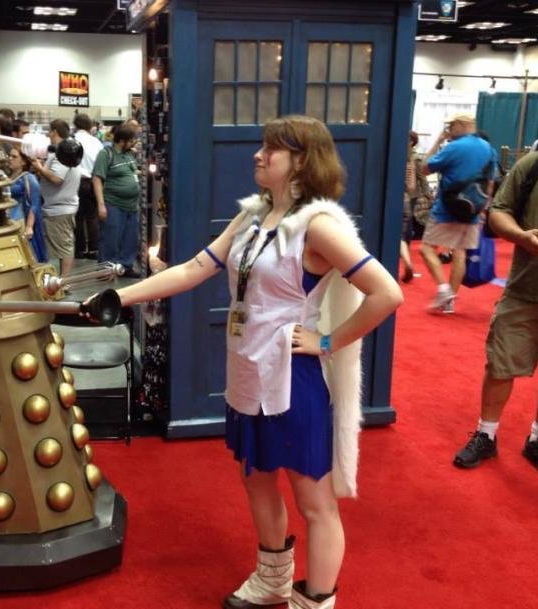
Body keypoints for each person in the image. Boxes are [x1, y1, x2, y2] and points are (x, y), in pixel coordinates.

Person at [100, 115, 403, 609]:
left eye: (272, 149)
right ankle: (272, 581)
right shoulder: (251, 217)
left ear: (301, 161)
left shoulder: (319, 227)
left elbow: (387, 293)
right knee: (257, 479)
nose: (258, 155)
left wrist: (328, 342)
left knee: (314, 500)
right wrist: (121, 296)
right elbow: (194, 268)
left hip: (293, 377)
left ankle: (317, 601)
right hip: (247, 370)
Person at [453, 103, 538, 479]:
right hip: (526, 288)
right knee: (501, 363)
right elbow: (499, 212)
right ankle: (486, 434)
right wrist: (519, 236)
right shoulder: (534, 164)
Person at [419, 113, 495, 314]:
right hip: (473, 209)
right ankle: (449, 301)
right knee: (459, 251)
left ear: (461, 125)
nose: (449, 130)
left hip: (447, 208)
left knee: (426, 248)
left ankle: (444, 290)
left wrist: (439, 140)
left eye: (451, 126)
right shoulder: (488, 148)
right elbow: (490, 182)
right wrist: (482, 209)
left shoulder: (454, 147)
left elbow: (424, 168)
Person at [31, 119, 81, 275]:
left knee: (64, 246)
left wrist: (39, 168)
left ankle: (64, 282)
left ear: (54, 132)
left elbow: (57, 179)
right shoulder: (63, 151)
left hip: (60, 209)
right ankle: (62, 280)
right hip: (59, 207)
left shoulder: (62, 153)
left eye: (49, 132)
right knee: (62, 245)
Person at [93, 124, 141, 277]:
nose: (133, 143)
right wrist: (101, 205)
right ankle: (106, 270)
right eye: (131, 140)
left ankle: (125, 266)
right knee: (110, 240)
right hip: (113, 204)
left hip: (132, 206)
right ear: (122, 141)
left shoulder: (128, 155)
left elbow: (131, 172)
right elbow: (97, 179)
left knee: (130, 239)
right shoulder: (105, 154)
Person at [7, 147, 48, 263]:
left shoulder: (29, 178)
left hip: (20, 221)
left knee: (27, 256)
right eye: (9, 156)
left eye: (14, 157)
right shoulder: (8, 178)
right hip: (9, 220)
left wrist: (29, 226)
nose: (10, 159)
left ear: (23, 161)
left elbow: (34, 204)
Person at [73, 113, 104, 259]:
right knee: (92, 217)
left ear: (75, 125)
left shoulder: (71, 141)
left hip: (76, 181)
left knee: (78, 217)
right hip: (93, 181)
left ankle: (80, 249)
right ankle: (93, 249)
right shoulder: (96, 142)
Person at [400, 137, 417, 282]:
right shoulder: (410, 163)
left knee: (397, 237)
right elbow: (411, 187)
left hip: (393, 201)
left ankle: (407, 262)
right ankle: (408, 262)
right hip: (406, 201)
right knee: (403, 237)